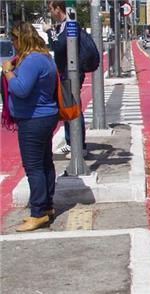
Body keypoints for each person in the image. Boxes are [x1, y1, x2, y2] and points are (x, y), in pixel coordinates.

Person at [2, 22, 59, 232]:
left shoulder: (32, 60)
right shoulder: (43, 56)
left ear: (22, 39)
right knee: (44, 164)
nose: (13, 44)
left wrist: (8, 72)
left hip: (34, 119)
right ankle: (47, 206)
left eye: (14, 40)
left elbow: (21, 89)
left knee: (34, 167)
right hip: (44, 116)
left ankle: (38, 213)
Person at [44, 0, 87, 157]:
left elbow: (59, 46)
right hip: (66, 72)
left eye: (51, 9)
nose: (50, 13)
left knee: (73, 106)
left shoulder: (70, 24)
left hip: (71, 72)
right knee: (68, 105)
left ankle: (78, 145)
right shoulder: (64, 25)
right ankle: (72, 142)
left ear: (57, 9)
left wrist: (49, 32)